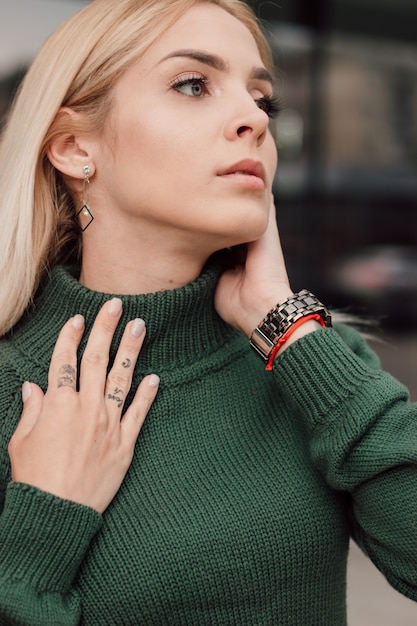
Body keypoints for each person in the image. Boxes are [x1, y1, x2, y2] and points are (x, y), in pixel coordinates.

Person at [0, 0, 416, 624]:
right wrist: (45, 514)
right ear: (72, 146)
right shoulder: (11, 386)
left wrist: (287, 328)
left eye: (263, 100)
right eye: (193, 84)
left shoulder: (305, 356)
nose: (253, 117)